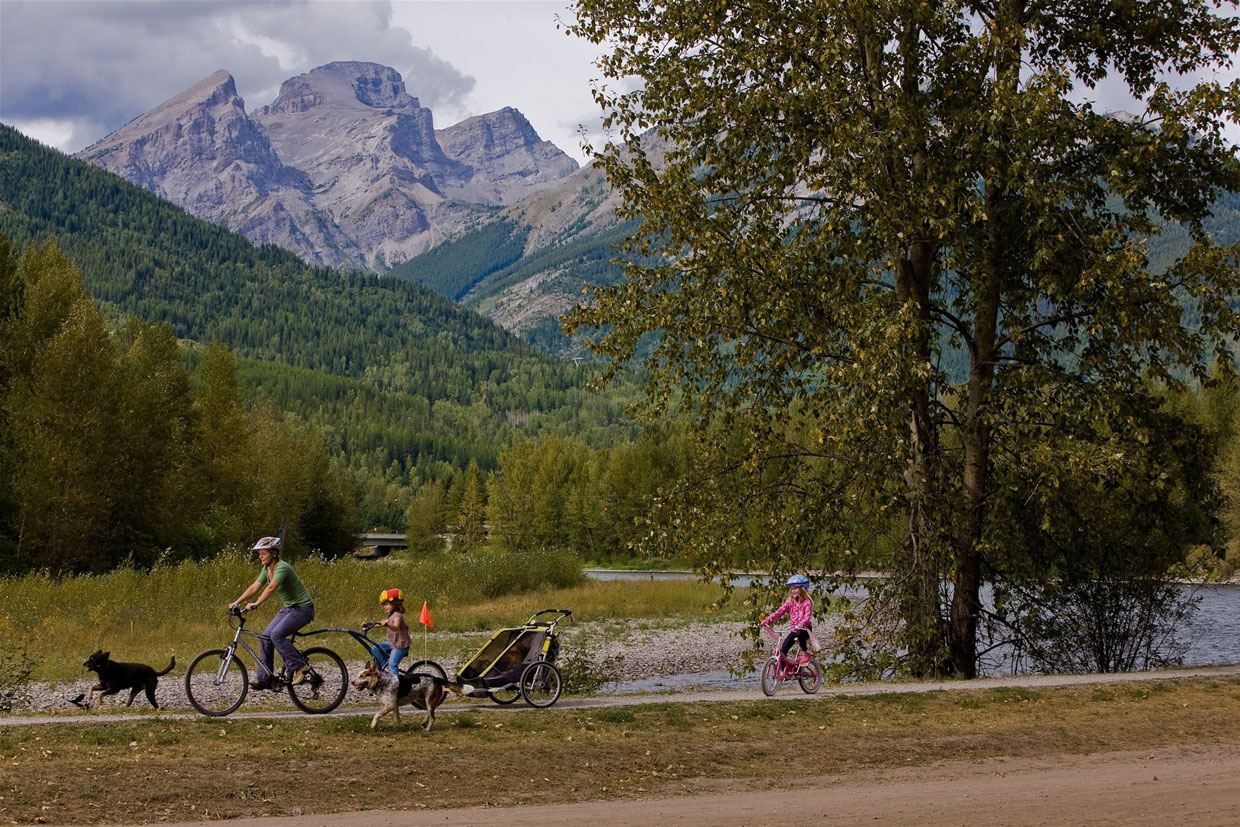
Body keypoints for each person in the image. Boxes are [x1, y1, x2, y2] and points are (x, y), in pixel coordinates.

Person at [229, 536, 315, 690]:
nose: (260, 556)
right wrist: (237, 601)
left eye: (263, 553)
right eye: (259, 553)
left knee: (276, 635)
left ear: (274, 553)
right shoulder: (266, 569)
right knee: (265, 637)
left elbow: (271, 588)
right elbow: (254, 587)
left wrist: (256, 603)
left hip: (303, 609)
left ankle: (299, 666)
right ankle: (265, 679)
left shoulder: (282, 567)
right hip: (289, 608)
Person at [762, 574, 814, 664]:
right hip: (794, 629)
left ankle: (805, 653)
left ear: (802, 589)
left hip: (805, 629)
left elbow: (807, 616)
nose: (792, 591)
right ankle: (782, 672)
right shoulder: (790, 601)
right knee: (782, 650)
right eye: (791, 588)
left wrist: (802, 623)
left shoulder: (807, 602)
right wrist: (768, 620)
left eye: (795, 588)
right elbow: (780, 611)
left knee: (799, 631)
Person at [365, 588, 411, 674]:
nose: (385, 607)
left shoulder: (398, 615)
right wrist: (369, 625)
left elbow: (396, 627)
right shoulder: (391, 616)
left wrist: (388, 625)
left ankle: (395, 684)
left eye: (387, 604)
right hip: (393, 643)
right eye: (384, 605)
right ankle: (385, 668)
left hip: (401, 645)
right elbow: (381, 623)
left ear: (394, 604)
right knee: (376, 648)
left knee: (392, 664)